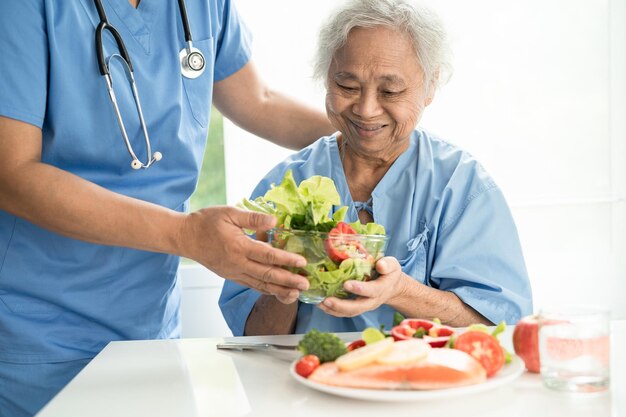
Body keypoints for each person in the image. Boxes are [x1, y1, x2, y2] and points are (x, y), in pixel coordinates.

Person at [0, 0, 334, 415]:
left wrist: (364, 131)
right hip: (41, 330)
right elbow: (11, 174)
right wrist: (185, 235)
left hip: (150, 326)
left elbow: (258, 99)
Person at [219, 0, 533, 337]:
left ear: (429, 87)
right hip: (306, 382)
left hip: (424, 385)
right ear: (325, 79)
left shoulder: (462, 186)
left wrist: (402, 291)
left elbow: (502, 329)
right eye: (347, 87)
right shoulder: (288, 184)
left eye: (391, 90)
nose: (366, 109)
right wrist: (283, 282)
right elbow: (251, 336)